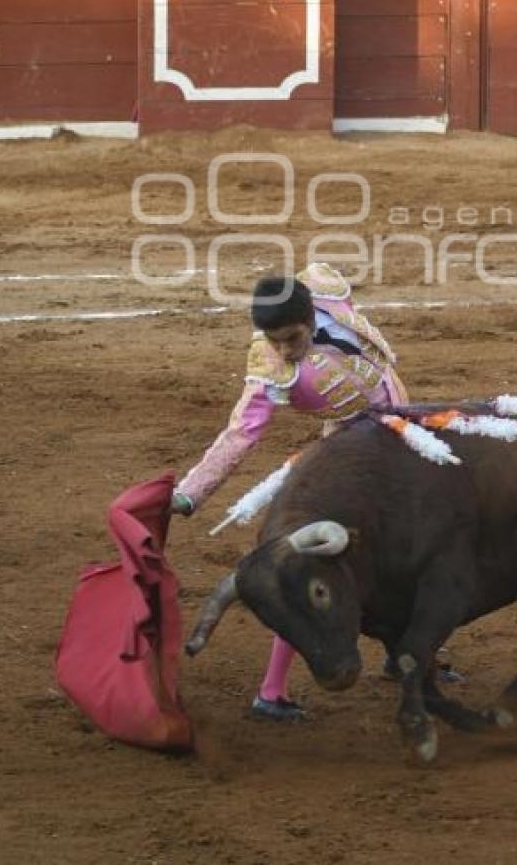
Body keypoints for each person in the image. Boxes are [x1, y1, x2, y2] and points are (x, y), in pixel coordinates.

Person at [171, 265, 408, 720]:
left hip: (400, 425)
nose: (283, 350)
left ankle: (402, 656)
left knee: (402, 548)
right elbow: (240, 433)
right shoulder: (269, 371)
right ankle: (271, 692)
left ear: (310, 316)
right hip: (349, 458)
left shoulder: (325, 291)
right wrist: (189, 494)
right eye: (274, 341)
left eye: (292, 339)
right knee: (314, 572)